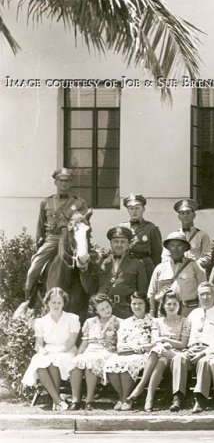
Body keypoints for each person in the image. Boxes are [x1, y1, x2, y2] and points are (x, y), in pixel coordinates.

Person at [25, 168, 89, 305]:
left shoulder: (80, 203)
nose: (64, 184)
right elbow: (41, 224)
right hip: (52, 240)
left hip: (72, 241)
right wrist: (39, 244)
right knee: (34, 268)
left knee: (92, 266)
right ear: (55, 182)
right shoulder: (46, 202)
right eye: (61, 181)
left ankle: (94, 298)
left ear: (71, 182)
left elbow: (85, 224)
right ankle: (29, 300)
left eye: (67, 181)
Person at [172, 282, 214, 413]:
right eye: (202, 294)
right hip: (192, 349)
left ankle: (200, 399)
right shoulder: (194, 314)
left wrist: (203, 353)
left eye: (208, 293)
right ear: (198, 296)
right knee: (179, 358)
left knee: (204, 362)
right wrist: (187, 348)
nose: (205, 297)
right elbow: (187, 335)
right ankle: (178, 397)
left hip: (209, 351)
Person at [129, 292, 190, 412]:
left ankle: (141, 386)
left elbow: (183, 344)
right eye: (168, 304)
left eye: (174, 304)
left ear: (179, 305)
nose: (171, 307)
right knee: (161, 358)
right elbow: (154, 340)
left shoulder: (185, 321)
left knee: (157, 350)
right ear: (163, 306)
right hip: (161, 354)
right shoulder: (157, 321)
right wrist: (162, 344)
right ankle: (149, 398)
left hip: (176, 354)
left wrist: (166, 340)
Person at [21, 287, 80, 411]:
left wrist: (59, 351)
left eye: (59, 302)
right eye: (53, 302)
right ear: (47, 302)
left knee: (55, 361)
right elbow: (39, 344)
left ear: (64, 303)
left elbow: (72, 341)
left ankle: (56, 402)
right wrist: (42, 351)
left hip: (67, 350)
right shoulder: (41, 321)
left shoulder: (72, 318)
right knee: (40, 363)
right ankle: (58, 400)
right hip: (48, 350)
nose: (56, 305)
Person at [67, 294, 121, 410]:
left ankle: (89, 401)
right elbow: (84, 343)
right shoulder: (89, 322)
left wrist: (116, 356)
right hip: (90, 350)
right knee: (76, 362)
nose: (106, 310)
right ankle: (75, 400)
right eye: (102, 309)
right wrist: (77, 355)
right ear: (96, 311)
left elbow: (120, 344)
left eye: (107, 306)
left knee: (91, 362)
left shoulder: (118, 322)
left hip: (107, 352)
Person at [103, 292, 153, 411]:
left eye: (140, 303)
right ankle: (123, 397)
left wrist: (140, 348)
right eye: (134, 303)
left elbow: (154, 343)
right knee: (110, 364)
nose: (137, 306)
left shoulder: (153, 322)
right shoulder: (125, 322)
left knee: (127, 364)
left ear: (145, 304)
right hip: (126, 351)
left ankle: (126, 399)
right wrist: (131, 348)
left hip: (144, 354)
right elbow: (120, 344)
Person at [87, 226, 148, 319]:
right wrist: (95, 297)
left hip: (126, 311)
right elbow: (91, 287)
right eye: (116, 241)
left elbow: (142, 291)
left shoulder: (137, 263)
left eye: (123, 242)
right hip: (104, 311)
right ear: (111, 243)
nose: (119, 245)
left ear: (128, 244)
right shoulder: (101, 262)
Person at [148, 231, 206, 317]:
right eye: (172, 245)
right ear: (168, 248)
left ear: (185, 248)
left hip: (188, 312)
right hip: (165, 313)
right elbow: (152, 293)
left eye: (179, 245)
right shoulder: (160, 268)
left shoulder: (194, 266)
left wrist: (200, 313)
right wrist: (152, 314)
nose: (175, 249)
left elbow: (203, 291)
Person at [119, 194, 163, 279]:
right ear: (128, 210)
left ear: (143, 209)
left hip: (145, 267)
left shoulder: (151, 228)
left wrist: (157, 273)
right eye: (131, 208)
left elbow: (157, 253)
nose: (134, 211)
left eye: (137, 208)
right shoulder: (122, 227)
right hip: (127, 266)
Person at [162, 198, 212, 270]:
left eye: (188, 212)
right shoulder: (172, 237)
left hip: (195, 271)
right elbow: (165, 257)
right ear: (179, 217)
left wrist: (192, 266)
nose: (185, 216)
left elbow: (207, 257)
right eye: (182, 213)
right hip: (176, 270)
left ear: (194, 215)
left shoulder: (202, 235)